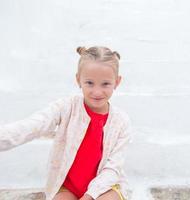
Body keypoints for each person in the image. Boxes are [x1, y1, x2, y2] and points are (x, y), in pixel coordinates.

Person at [0, 46, 132, 200]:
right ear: (78, 80)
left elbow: (113, 167)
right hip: (67, 186)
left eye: (105, 84)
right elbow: (34, 125)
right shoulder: (66, 107)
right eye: (89, 83)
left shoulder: (121, 121)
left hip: (104, 187)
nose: (97, 92)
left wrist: (90, 196)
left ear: (117, 82)